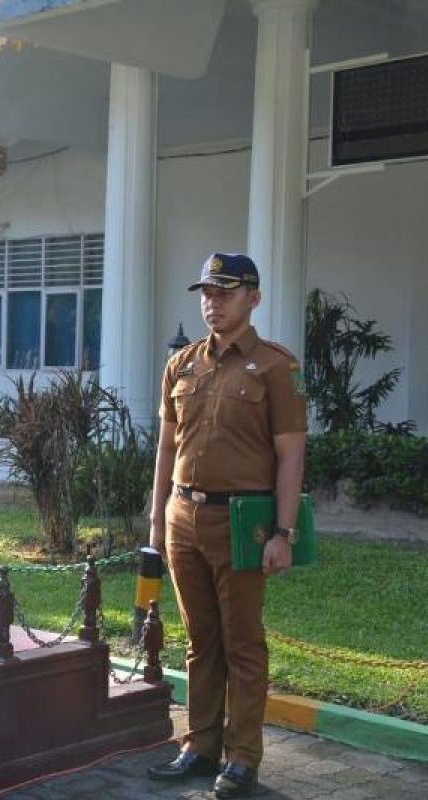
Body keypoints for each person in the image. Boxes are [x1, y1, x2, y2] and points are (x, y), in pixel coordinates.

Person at [146, 253, 307, 798]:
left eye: (225, 293)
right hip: (183, 518)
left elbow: (290, 457)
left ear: (253, 299)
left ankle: (242, 757)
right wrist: (157, 519)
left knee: (242, 643)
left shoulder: (276, 368)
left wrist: (284, 534)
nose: (212, 303)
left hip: (243, 522)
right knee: (199, 641)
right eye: (206, 294)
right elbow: (166, 448)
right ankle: (200, 745)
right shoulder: (182, 364)